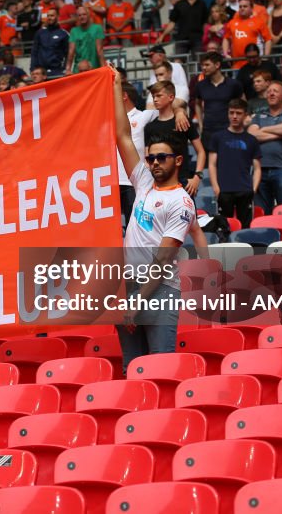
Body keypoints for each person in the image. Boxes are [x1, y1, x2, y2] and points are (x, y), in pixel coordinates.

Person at [112, 66, 193, 373]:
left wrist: (137, 302)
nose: (155, 163)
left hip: (158, 291)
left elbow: (162, 261)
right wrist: (116, 84)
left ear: (178, 160)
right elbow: (122, 135)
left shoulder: (182, 202)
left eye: (162, 157)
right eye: (151, 158)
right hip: (128, 285)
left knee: (159, 370)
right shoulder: (144, 183)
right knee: (131, 368)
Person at [247, 81, 282, 213]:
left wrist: (263, 129)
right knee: (262, 213)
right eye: (269, 91)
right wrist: (279, 135)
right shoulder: (258, 116)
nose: (271, 93)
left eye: (275, 91)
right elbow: (252, 135)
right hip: (260, 171)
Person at [145, 81, 205, 196]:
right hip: (158, 183)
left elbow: (201, 151)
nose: (155, 100)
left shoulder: (182, 121)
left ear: (171, 97)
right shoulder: (150, 127)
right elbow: (148, 158)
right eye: (153, 97)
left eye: (159, 96)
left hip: (183, 181)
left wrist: (197, 177)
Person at [208, 99, 261, 227]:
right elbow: (212, 164)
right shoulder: (217, 137)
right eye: (231, 113)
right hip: (224, 190)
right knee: (224, 228)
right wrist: (216, 187)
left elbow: (257, 168)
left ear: (245, 115)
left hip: (245, 190)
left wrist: (253, 189)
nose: (234, 116)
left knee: (245, 228)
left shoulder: (252, 140)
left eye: (238, 113)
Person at [192, 52, 244, 152]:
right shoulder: (200, 85)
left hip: (229, 129)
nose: (203, 68)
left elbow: (242, 103)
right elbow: (197, 104)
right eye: (202, 65)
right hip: (208, 131)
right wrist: (201, 124)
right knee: (208, 165)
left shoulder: (233, 84)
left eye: (207, 65)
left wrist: (238, 123)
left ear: (217, 65)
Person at [30, 8, 68, 77]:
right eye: (48, 16)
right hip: (41, 72)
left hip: (57, 71)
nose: (49, 18)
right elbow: (34, 52)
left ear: (57, 17)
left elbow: (67, 54)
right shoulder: (40, 33)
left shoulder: (63, 34)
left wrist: (64, 69)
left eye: (52, 16)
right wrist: (32, 68)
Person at [67, 6, 105, 73]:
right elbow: (71, 52)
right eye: (79, 15)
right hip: (79, 70)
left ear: (89, 15)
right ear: (77, 17)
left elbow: (100, 50)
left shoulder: (97, 28)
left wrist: (103, 68)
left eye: (84, 14)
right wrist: (68, 69)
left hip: (94, 68)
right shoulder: (74, 31)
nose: (82, 17)